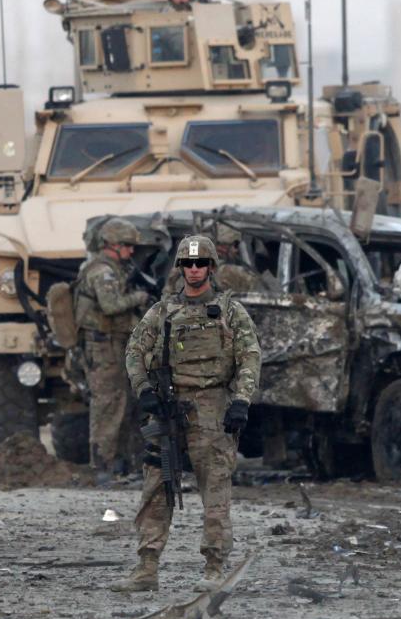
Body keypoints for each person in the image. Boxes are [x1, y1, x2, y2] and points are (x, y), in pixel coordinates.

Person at [112, 235, 262, 593]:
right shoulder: (162, 311)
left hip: (212, 409)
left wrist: (241, 400)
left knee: (215, 490)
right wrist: (144, 390)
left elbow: (250, 357)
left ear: (211, 267)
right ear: (180, 268)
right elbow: (134, 350)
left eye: (200, 264)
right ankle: (147, 567)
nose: (194, 270)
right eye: (188, 264)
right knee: (156, 487)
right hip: (167, 409)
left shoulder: (229, 311)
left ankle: (214, 567)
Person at [74, 217, 149, 476]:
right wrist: (139, 297)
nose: (131, 251)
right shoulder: (102, 272)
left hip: (113, 345)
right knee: (107, 405)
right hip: (102, 347)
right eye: (127, 246)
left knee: (121, 402)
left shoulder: (112, 269)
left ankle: (119, 463)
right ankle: (103, 466)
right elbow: (111, 306)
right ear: (112, 245)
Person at [213, 223, 264, 293]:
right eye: (236, 245)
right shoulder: (226, 271)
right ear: (224, 246)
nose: (236, 250)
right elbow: (256, 286)